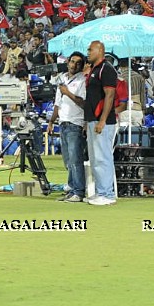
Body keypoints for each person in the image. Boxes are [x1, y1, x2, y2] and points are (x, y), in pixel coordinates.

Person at [84, 40, 118, 205]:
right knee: (95, 158)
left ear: (100, 50)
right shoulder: (94, 69)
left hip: (102, 121)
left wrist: (102, 120)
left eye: (91, 50)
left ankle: (107, 194)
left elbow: (110, 95)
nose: (88, 52)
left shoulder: (107, 69)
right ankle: (100, 191)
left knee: (103, 157)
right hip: (93, 119)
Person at [53, 51, 87, 202]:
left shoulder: (82, 81)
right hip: (63, 122)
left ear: (82, 66)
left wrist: (68, 93)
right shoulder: (62, 79)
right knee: (68, 160)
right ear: (67, 62)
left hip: (75, 123)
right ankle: (72, 189)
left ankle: (78, 191)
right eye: (72, 61)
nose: (74, 65)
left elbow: (84, 103)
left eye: (78, 63)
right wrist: (51, 121)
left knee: (75, 159)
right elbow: (57, 103)